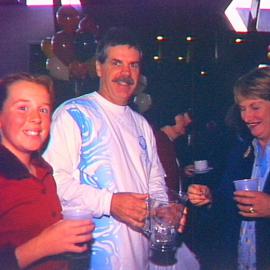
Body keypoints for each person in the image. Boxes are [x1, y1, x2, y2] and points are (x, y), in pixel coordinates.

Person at [43, 27, 176, 270]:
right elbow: (53, 183)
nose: (126, 73)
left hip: (140, 257)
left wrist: (164, 211)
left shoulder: (141, 124)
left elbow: (154, 183)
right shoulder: (74, 114)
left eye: (133, 65)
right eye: (117, 63)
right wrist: (110, 203)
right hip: (91, 257)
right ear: (98, 68)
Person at [0, 72, 95, 270]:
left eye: (43, 110)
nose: (36, 118)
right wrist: (42, 246)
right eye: (23, 107)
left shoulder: (44, 171)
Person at [188, 66, 270, 270]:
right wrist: (209, 198)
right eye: (242, 108)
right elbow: (225, 206)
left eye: (255, 107)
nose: (247, 117)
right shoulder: (244, 152)